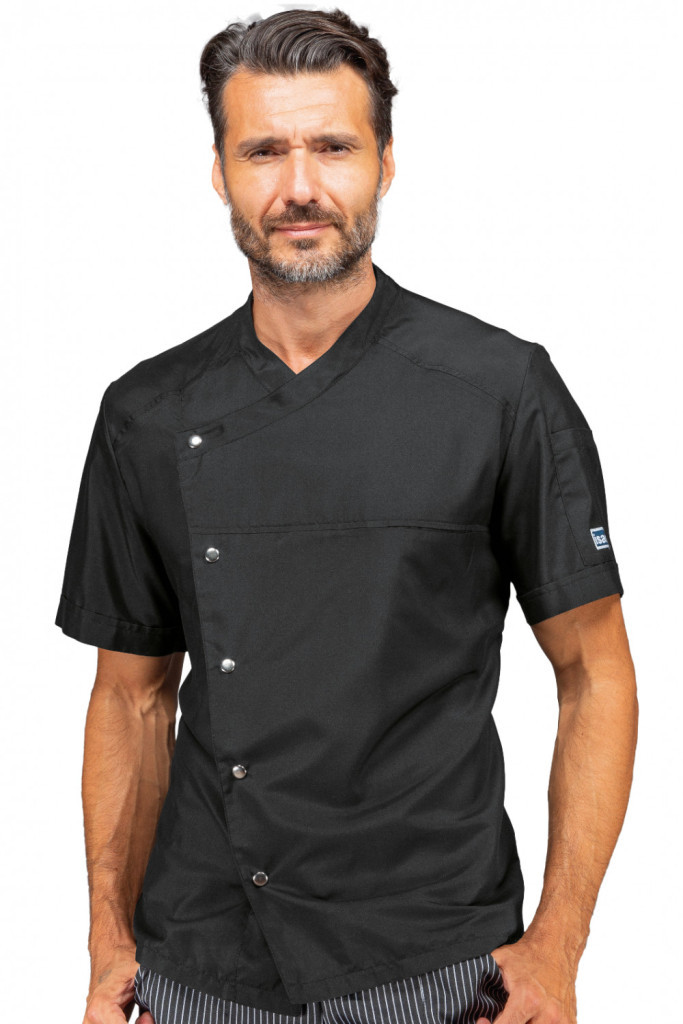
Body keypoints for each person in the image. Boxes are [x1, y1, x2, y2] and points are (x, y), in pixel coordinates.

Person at [55, 9, 638, 1024]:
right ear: (218, 171)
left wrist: (557, 944)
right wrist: (108, 939)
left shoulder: (500, 392)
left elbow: (596, 673)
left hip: (435, 959)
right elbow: (130, 699)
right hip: (200, 961)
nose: (299, 187)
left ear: (385, 162)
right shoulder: (145, 413)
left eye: (332, 147)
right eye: (263, 151)